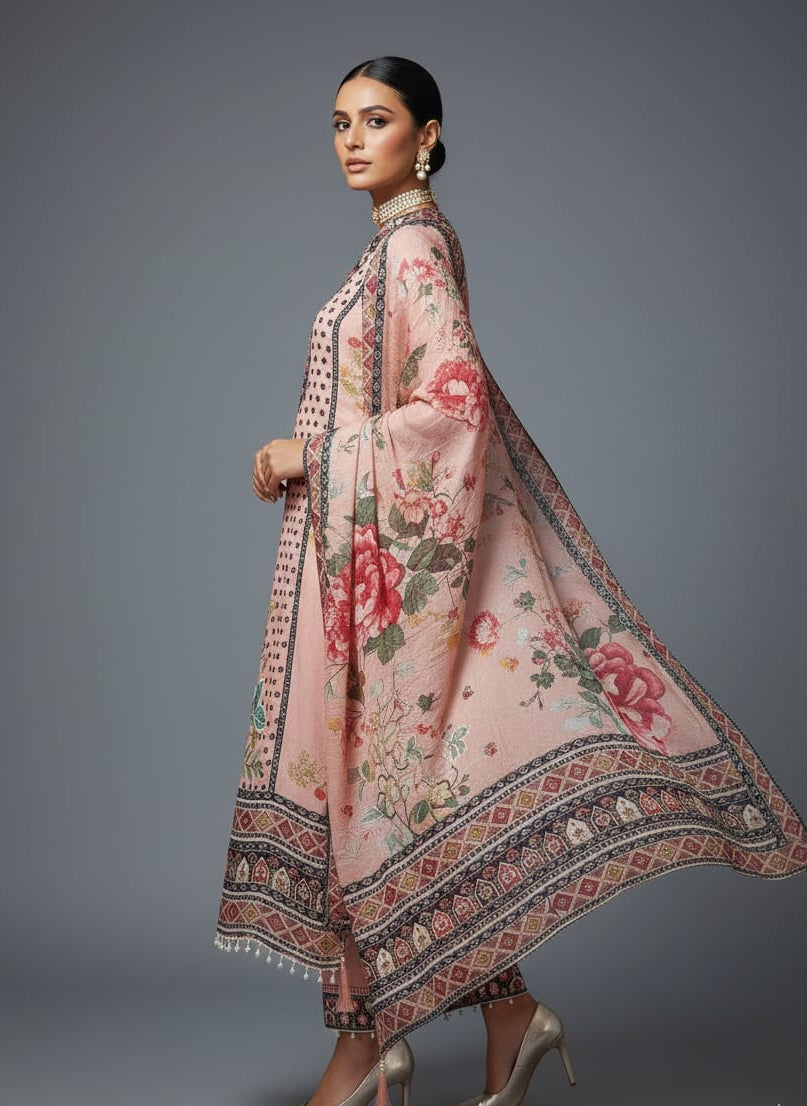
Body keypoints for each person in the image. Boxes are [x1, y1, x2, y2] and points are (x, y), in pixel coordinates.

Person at [214, 55, 807, 1106]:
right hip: (360, 566)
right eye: (340, 122)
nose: (352, 139)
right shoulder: (387, 248)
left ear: (428, 135)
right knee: (395, 808)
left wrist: (311, 455)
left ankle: (363, 1054)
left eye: (379, 119)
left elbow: (451, 411)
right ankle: (507, 1016)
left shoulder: (415, 249)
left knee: (379, 802)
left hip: (388, 574)